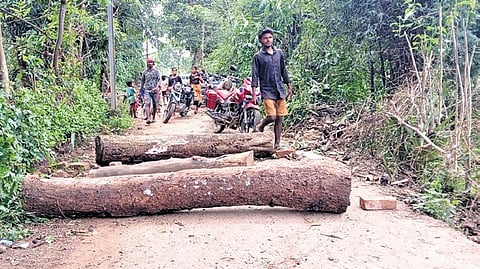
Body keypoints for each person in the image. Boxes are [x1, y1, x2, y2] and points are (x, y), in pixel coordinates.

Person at [251, 27, 293, 150]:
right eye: (265, 38)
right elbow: (255, 75)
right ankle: (261, 126)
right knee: (272, 116)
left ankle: (277, 144)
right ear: (261, 41)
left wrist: (289, 86)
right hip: (267, 90)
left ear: (272, 39)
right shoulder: (258, 56)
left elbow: (283, 71)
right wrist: (254, 94)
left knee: (280, 118)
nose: (268, 40)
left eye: (270, 37)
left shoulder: (279, 53)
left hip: (279, 89)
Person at [140, 57, 161, 124]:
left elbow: (159, 80)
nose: (150, 63)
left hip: (154, 90)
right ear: (147, 64)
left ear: (153, 63)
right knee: (147, 103)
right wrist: (140, 90)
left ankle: (153, 118)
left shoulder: (156, 72)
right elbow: (142, 81)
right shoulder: (144, 72)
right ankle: (148, 118)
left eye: (151, 62)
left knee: (155, 104)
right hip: (147, 90)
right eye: (148, 62)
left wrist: (157, 87)